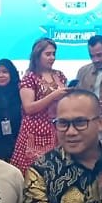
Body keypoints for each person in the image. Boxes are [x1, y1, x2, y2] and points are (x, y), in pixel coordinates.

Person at [10, 37, 66, 171]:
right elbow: (28, 108)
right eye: (48, 54)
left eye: (54, 54)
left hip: (56, 131)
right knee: (34, 171)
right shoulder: (30, 78)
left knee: (56, 169)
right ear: (37, 56)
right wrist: (53, 96)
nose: (52, 58)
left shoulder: (59, 75)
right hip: (34, 132)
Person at [0, 58, 23, 163]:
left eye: (5, 72)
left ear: (12, 74)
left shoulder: (21, 94)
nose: (1, 75)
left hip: (19, 143)